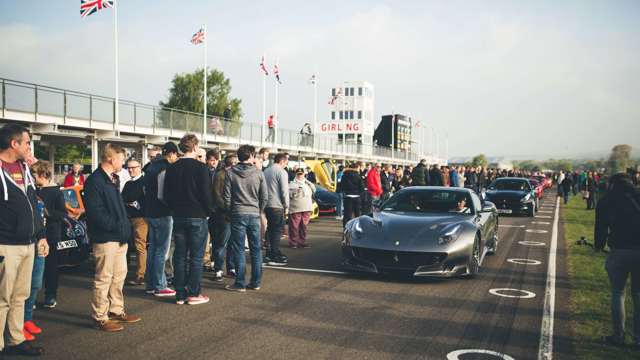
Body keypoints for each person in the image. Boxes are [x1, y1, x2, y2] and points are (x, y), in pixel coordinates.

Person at [0, 124, 47, 356]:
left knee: (20, 296)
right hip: (6, 245)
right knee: (2, 298)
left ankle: (15, 339)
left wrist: (41, 235)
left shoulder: (23, 168)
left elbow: (33, 204)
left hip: (28, 243)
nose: (30, 146)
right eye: (27, 142)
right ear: (14, 144)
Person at [84, 143, 140, 332]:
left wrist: (124, 228)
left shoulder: (112, 179)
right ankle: (100, 316)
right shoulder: (95, 181)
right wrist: (117, 226)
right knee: (104, 278)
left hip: (119, 237)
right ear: (111, 158)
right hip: (106, 237)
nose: (123, 163)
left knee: (118, 276)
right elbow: (95, 212)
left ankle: (116, 310)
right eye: (121, 158)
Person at [164, 134, 214, 305]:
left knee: (179, 255)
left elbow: (166, 195)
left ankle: (179, 293)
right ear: (194, 147)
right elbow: (207, 195)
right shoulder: (201, 168)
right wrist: (209, 211)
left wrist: (174, 208)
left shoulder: (171, 168)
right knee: (196, 257)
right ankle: (193, 293)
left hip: (178, 215)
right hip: (197, 215)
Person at [594, 173, 640, 349]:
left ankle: (618, 335)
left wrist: (598, 245)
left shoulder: (607, 200)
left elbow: (601, 226)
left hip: (619, 249)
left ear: (612, 184)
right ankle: (638, 340)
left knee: (618, 293)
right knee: (638, 295)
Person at [223, 145, 268, 292]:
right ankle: (255, 282)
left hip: (237, 213)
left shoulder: (230, 173)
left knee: (239, 249)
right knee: (256, 249)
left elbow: (227, 197)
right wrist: (259, 210)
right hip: (254, 214)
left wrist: (230, 212)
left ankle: (240, 283)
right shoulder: (259, 173)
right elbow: (264, 197)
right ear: (251, 156)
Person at [143, 142, 179, 298]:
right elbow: (162, 194)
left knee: (152, 249)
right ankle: (160, 285)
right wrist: (172, 206)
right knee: (161, 251)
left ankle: (150, 284)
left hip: (149, 212)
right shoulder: (165, 168)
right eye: (176, 155)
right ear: (171, 154)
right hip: (162, 213)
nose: (177, 158)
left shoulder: (150, 166)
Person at [32, 161, 65, 311]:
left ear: (43, 174)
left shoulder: (56, 192)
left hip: (51, 234)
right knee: (33, 270)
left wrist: (47, 213)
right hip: (35, 235)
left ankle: (50, 295)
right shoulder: (32, 190)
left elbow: (62, 213)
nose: (32, 177)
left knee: (51, 268)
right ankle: (30, 298)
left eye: (34, 174)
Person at [211, 153, 238, 281]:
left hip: (232, 213)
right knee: (221, 242)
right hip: (222, 214)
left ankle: (231, 268)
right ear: (231, 164)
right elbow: (217, 195)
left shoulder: (234, 175)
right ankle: (218, 269)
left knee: (231, 242)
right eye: (236, 163)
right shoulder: (220, 175)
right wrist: (228, 209)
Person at [121, 159, 147, 286]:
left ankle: (140, 275)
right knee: (125, 247)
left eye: (133, 167)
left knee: (139, 246)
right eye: (128, 168)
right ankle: (124, 273)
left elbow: (147, 201)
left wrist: (135, 204)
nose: (131, 170)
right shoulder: (128, 184)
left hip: (141, 219)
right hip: (127, 218)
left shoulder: (145, 182)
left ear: (140, 167)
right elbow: (122, 200)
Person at [263, 153, 290, 266]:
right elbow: (284, 191)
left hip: (266, 204)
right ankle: (274, 254)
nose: (286, 165)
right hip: (277, 205)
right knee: (277, 231)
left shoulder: (266, 171)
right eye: (286, 163)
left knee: (270, 229)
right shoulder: (281, 172)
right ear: (282, 161)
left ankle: (269, 253)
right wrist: (287, 205)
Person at [288, 168, 316, 248]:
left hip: (306, 208)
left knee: (304, 226)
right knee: (294, 227)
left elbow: (314, 189)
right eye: (298, 174)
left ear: (304, 174)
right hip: (296, 208)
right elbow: (289, 195)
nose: (300, 176)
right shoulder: (292, 184)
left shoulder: (307, 184)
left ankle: (302, 242)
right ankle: (293, 242)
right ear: (296, 175)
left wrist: (307, 181)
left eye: (301, 174)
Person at [337, 162, 365, 228]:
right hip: (356, 197)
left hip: (348, 197)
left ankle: (346, 229)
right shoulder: (358, 176)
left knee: (347, 215)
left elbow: (341, 186)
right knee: (357, 215)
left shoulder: (344, 175)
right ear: (356, 168)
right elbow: (362, 188)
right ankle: (358, 229)